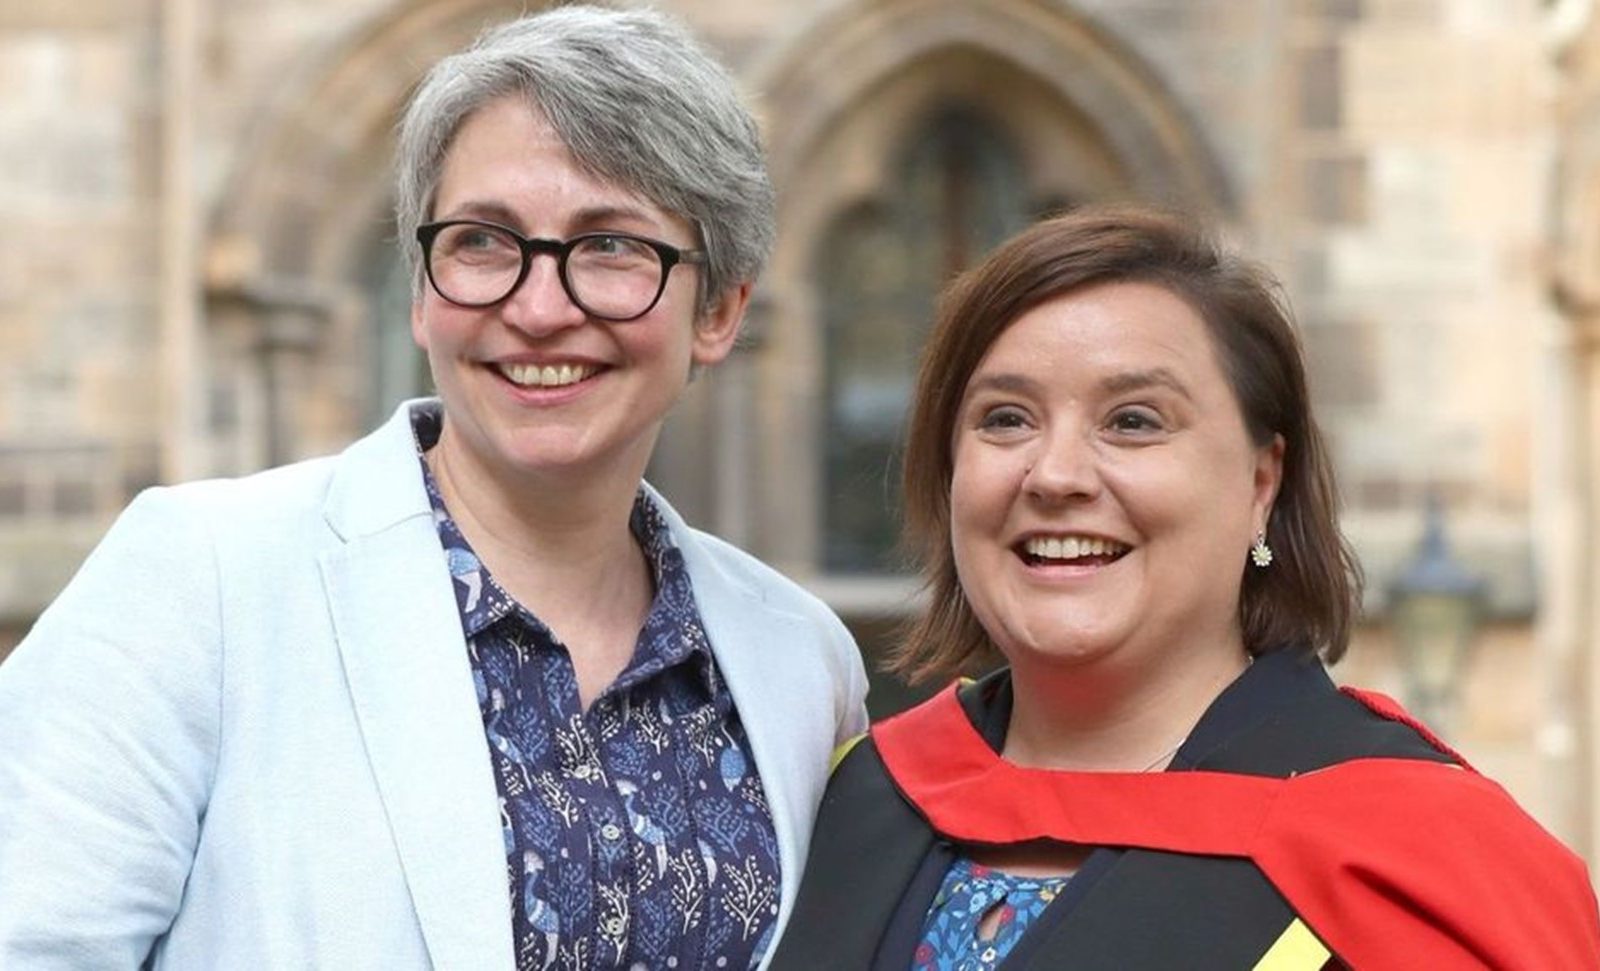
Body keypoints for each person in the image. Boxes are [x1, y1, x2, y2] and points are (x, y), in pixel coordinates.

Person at [0, 6, 867, 969]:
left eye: (613, 246)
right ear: (420, 291)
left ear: (718, 311)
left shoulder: (800, 662)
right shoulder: (197, 582)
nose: (539, 309)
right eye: (484, 243)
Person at [769, 206, 1600, 970]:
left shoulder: (1418, 862)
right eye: (1005, 418)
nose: (1055, 473)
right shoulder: (849, 800)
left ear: (1261, 483)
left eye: (1134, 420)